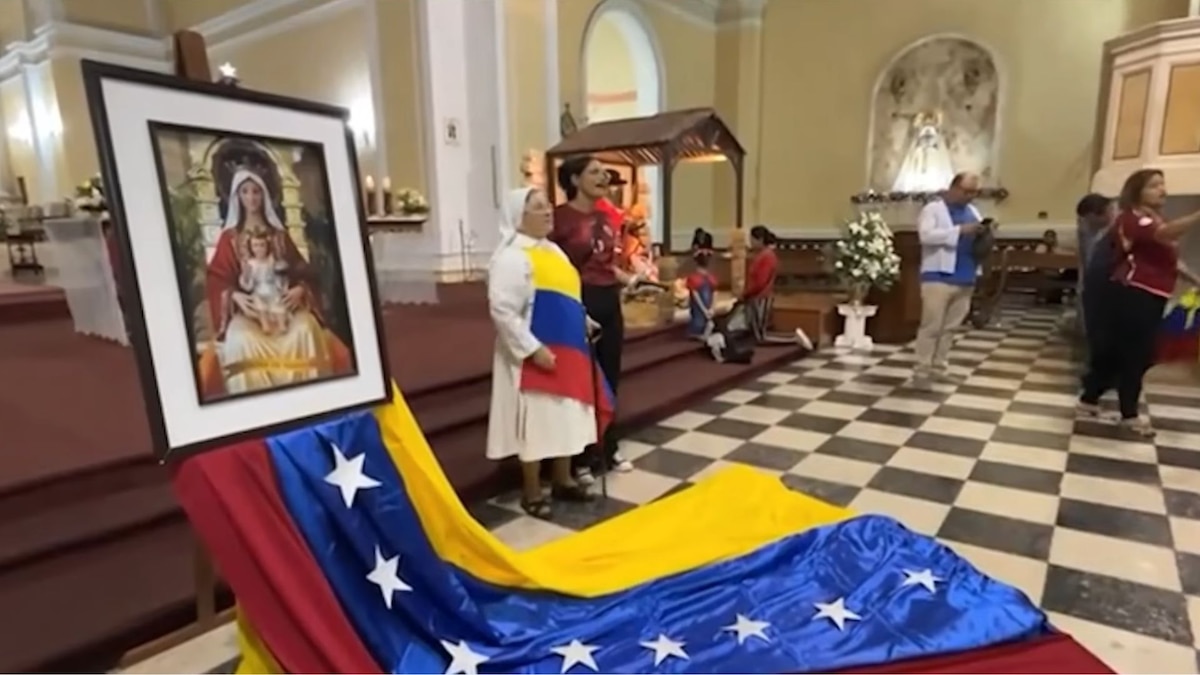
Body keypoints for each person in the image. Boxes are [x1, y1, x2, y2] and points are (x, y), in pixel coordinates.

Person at [486, 187, 600, 518]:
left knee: (564, 416)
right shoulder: (510, 258)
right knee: (535, 422)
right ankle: (532, 491)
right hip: (533, 354)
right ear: (518, 217)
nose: (549, 211)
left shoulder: (555, 252)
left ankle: (563, 480)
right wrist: (533, 349)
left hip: (566, 348)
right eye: (538, 207)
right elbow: (503, 310)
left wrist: (584, 321)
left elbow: (568, 296)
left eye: (548, 205)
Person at [200, 169, 350, 398]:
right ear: (237, 196)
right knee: (240, 339)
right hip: (250, 312)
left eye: (256, 192)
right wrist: (235, 296)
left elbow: (303, 271)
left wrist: (300, 290)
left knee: (306, 328)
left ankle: (313, 398)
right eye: (245, 192)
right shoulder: (229, 239)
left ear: (265, 195)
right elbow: (216, 279)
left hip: (284, 307)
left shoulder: (280, 236)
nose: (251, 198)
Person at [1079, 169, 1200, 436]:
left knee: (1125, 352)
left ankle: (1090, 396)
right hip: (1133, 292)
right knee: (1137, 353)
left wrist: (1195, 279)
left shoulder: (1155, 219)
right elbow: (1164, 235)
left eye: (1162, 184)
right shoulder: (1132, 218)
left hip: (1154, 293)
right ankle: (1129, 414)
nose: (1162, 190)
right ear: (1137, 191)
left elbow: (1170, 259)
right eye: (1154, 185)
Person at [551, 155, 636, 483]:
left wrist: (628, 278)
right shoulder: (559, 219)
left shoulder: (607, 217)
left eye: (604, 173)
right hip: (576, 300)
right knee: (581, 381)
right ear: (575, 180)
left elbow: (604, 262)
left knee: (609, 378)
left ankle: (609, 447)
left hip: (608, 299)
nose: (604, 178)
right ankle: (582, 457)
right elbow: (554, 265)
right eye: (595, 172)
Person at [913, 172, 985, 387]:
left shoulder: (973, 211)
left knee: (950, 328)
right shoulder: (933, 209)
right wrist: (959, 230)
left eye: (974, 192)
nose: (970, 196)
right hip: (938, 277)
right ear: (953, 188)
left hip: (966, 276)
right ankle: (921, 372)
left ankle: (939, 367)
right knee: (931, 327)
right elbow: (926, 236)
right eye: (966, 191)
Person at [1074, 193, 1116, 338]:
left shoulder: (1119, 224)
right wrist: (1084, 281)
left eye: (1088, 219)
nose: (1085, 223)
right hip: (1093, 278)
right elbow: (1084, 254)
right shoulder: (1087, 227)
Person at [686, 228, 717, 339]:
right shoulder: (694, 278)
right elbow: (696, 297)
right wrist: (705, 310)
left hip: (707, 309)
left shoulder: (711, 278)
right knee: (698, 320)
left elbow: (714, 293)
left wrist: (712, 308)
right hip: (701, 310)